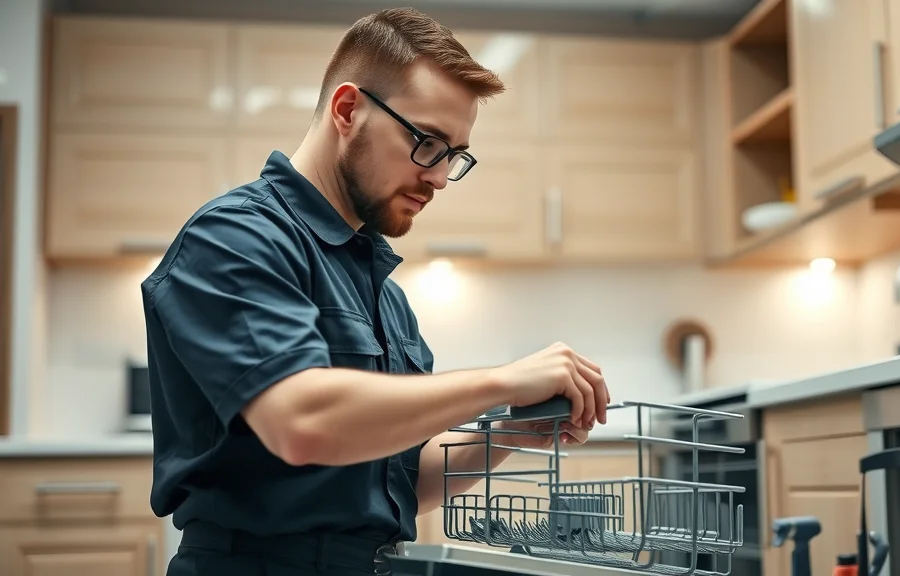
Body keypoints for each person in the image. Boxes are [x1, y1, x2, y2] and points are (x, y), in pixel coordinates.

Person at [140, 7, 611, 576]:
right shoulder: (236, 236)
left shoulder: (382, 289)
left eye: (454, 156)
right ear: (347, 109)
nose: (439, 177)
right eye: (428, 142)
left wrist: (508, 430)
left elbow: (403, 473)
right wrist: (503, 381)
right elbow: (302, 422)